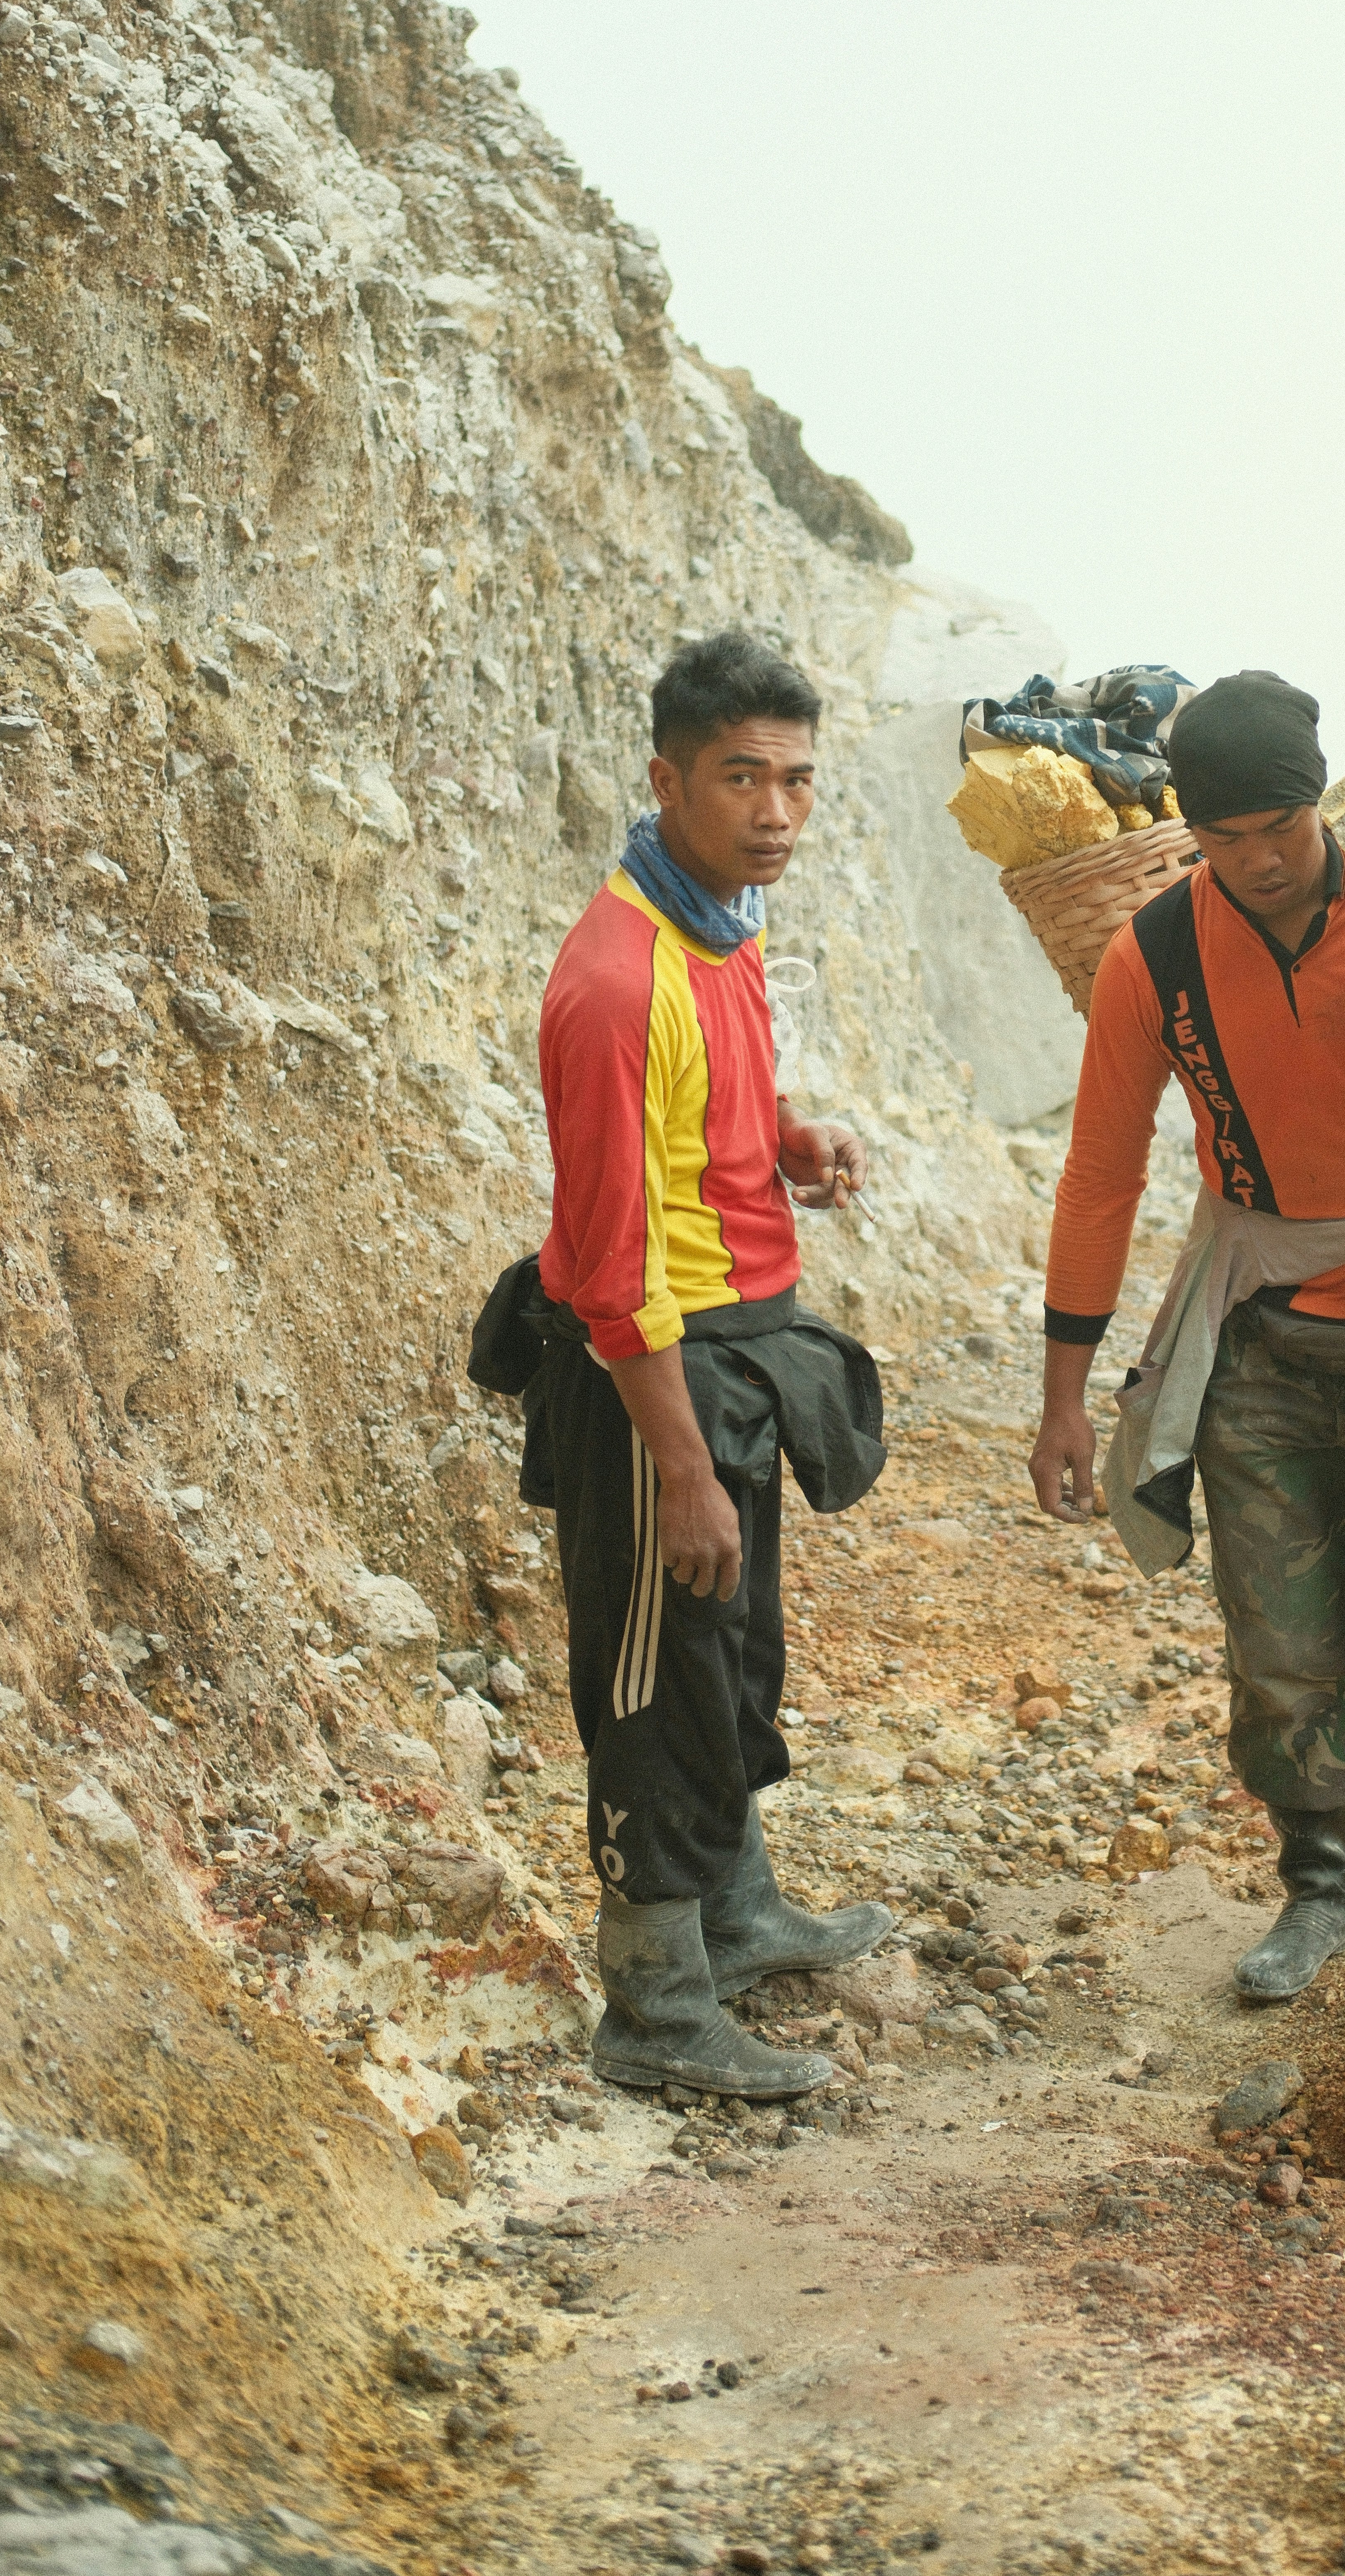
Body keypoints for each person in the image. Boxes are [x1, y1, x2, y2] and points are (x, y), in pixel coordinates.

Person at [1027, 670, 1345, 2003]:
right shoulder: (1157, 956)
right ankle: (1313, 1885)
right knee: (1278, 1642)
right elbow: (1100, 1176)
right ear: (1191, 833)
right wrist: (1064, 1397)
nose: (1254, 862)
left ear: (1322, 808)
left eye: (1280, 831)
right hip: (1255, 1338)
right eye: (1223, 839)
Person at [482, 627, 892, 2102]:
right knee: (656, 1686)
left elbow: (708, 1106)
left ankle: (737, 1911)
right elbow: (602, 1267)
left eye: (796, 780)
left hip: (741, 1357)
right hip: (653, 1380)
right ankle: (654, 2010)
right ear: (667, 780)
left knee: (734, 1660)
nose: (776, 810)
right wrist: (678, 1467)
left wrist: (789, 1138)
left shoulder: (721, 917)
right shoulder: (611, 982)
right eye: (741, 779)